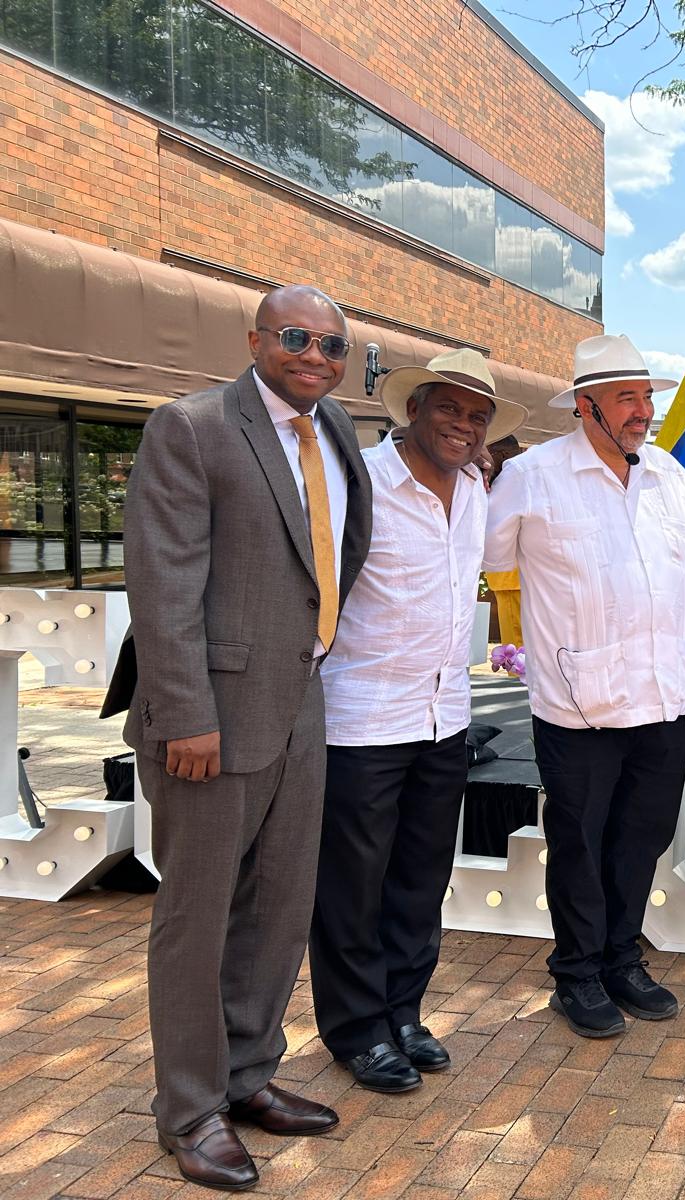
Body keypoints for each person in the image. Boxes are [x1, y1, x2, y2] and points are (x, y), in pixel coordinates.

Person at [112, 286, 372, 1191]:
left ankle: (249, 1075)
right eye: (297, 338)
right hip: (209, 721)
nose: (316, 356)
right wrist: (183, 711)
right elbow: (163, 582)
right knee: (199, 917)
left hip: (302, 701)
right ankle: (188, 1110)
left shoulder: (334, 428)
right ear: (256, 338)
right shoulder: (190, 428)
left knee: (278, 906)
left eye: (333, 345)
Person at [308, 350, 526, 1093]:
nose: (463, 425)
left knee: (420, 880)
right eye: (449, 408)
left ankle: (402, 1011)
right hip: (362, 714)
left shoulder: (475, 488)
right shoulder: (358, 479)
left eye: (477, 415)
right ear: (414, 409)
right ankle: (354, 1030)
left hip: (444, 715)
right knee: (352, 886)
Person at [484, 334, 685, 1039]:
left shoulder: (667, 474)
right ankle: (576, 972)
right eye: (628, 398)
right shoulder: (534, 475)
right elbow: (479, 556)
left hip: (660, 697)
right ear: (587, 406)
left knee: (642, 837)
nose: (644, 411)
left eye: (646, 396)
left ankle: (620, 958)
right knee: (578, 841)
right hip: (577, 705)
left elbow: (684, 569)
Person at [481, 435, 526, 644]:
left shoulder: (510, 482)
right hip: (511, 577)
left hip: (512, 577)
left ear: (499, 454)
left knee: (518, 650)